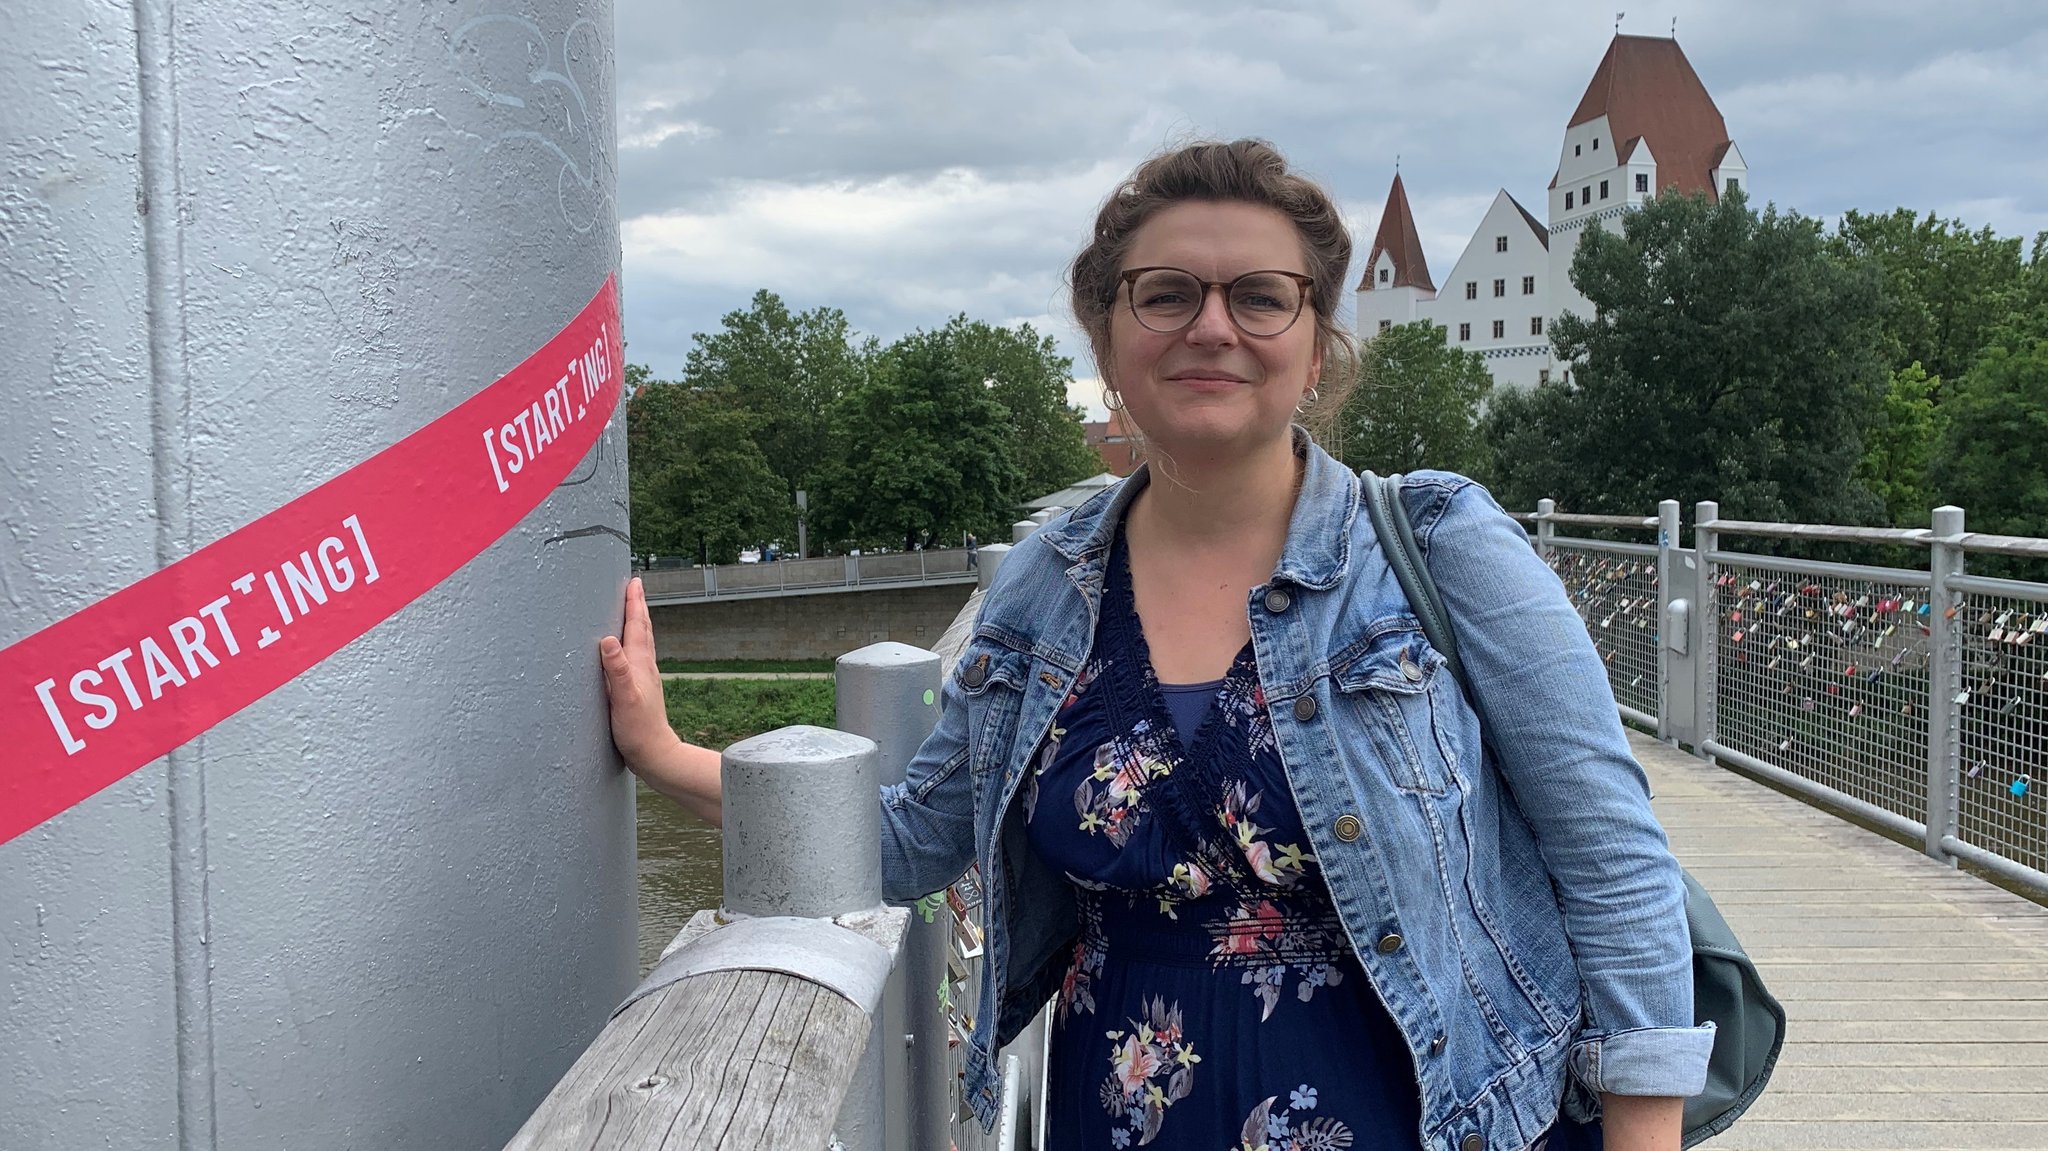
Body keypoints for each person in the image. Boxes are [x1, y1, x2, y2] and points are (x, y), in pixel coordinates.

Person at [601, 139, 1710, 1151]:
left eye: (1260, 297)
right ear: (1108, 336)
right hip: (1117, 1107)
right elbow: (908, 840)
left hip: (1432, 1109)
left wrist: (1640, 1131)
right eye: (1166, 293)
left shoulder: (1434, 541)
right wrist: (659, 751)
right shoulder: (1046, 584)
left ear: (1316, 346)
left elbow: (1610, 857)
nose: (1211, 325)